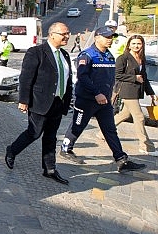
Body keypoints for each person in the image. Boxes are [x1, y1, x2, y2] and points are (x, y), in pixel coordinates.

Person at [60, 27, 146, 173]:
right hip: (87, 100)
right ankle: (66, 149)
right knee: (78, 125)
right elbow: (83, 77)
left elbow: (109, 78)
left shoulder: (109, 55)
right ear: (97, 37)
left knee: (110, 130)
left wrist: (111, 94)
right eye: (107, 37)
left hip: (104, 101)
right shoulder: (87, 55)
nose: (110, 39)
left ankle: (121, 159)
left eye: (111, 37)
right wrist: (96, 93)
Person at [4, 22, 73, 185]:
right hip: (40, 102)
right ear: (52, 34)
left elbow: (67, 79)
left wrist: (67, 99)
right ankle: (12, 150)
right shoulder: (36, 52)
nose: (67, 36)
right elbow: (26, 77)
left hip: (58, 102)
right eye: (64, 34)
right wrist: (23, 100)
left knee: (50, 137)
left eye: (68, 33)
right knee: (34, 133)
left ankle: (49, 169)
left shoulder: (65, 55)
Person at [107, 35, 158, 156]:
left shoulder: (141, 58)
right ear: (129, 44)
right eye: (134, 43)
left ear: (142, 45)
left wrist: (151, 93)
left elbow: (144, 78)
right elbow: (117, 75)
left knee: (124, 114)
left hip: (137, 91)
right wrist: (134, 77)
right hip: (127, 91)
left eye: (139, 44)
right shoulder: (123, 58)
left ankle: (103, 132)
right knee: (139, 117)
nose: (136, 46)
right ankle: (146, 146)